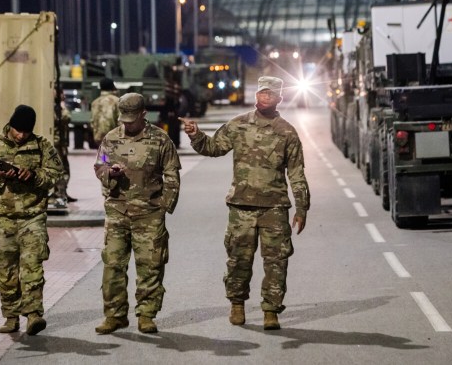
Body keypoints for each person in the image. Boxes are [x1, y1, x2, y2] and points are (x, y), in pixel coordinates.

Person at [181, 76, 310, 331]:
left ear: (279, 99)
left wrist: (302, 207)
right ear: (256, 96)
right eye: (262, 93)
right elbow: (214, 147)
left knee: (277, 261)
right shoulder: (238, 125)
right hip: (241, 206)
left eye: (270, 95)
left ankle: (271, 310)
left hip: (275, 208)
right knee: (239, 259)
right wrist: (195, 134)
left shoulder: (287, 132)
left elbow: (296, 172)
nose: (265, 98)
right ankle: (237, 304)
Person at [93, 92, 181, 335]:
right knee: (112, 265)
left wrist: (164, 205)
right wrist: (110, 172)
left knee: (150, 266)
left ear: (144, 115)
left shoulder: (161, 140)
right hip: (117, 212)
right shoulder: (110, 138)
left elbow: (172, 175)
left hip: (149, 215)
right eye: (125, 120)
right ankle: (115, 315)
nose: (128, 124)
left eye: (132, 119)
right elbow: (99, 165)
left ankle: (146, 315)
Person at [0, 104, 64, 335]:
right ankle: (11, 316)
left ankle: (33, 315)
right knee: (7, 270)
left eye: (25, 131)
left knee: (32, 266)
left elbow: (55, 174)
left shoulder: (42, 145)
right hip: (3, 218)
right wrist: (2, 179)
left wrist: (33, 176)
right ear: (10, 125)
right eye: (17, 130)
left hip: (33, 215)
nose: (21, 135)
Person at [50, 87, 75, 207]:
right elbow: (65, 117)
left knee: (65, 168)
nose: (63, 95)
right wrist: (63, 106)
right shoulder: (55, 107)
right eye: (61, 93)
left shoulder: (56, 106)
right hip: (56, 143)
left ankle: (62, 192)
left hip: (60, 143)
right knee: (62, 169)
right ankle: (60, 194)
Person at [91, 77, 120, 147]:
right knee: (113, 156)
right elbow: (120, 120)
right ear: (112, 86)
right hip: (113, 138)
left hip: (99, 137)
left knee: (103, 155)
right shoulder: (117, 101)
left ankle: (104, 158)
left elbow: (93, 121)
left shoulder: (95, 102)